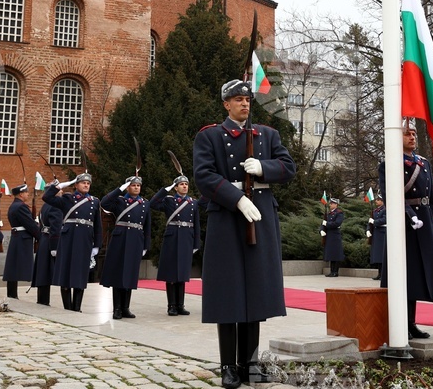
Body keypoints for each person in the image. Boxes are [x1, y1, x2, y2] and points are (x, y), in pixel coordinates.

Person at [193, 79, 296, 389]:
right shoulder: (210, 136)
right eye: (238, 99)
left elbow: (288, 167)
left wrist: (263, 167)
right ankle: (228, 366)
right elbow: (204, 175)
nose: (244, 104)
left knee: (255, 291)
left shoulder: (267, 134)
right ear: (226, 104)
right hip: (227, 217)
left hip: (260, 217)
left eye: (247, 99)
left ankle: (250, 364)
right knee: (228, 293)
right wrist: (236, 198)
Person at [378, 119, 433, 340]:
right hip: (404, 224)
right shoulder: (389, 163)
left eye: (414, 133)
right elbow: (390, 194)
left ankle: (411, 322)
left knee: (416, 276)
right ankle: (399, 322)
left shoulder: (423, 163)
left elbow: (431, 199)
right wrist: (410, 215)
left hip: (423, 223)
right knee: (403, 275)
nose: (412, 137)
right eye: (407, 133)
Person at [43, 172, 103, 312]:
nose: (86, 185)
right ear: (76, 185)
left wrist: (97, 245)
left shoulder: (94, 201)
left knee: (80, 274)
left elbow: (98, 225)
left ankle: (77, 308)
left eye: (88, 183)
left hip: (84, 240)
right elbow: (47, 197)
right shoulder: (67, 199)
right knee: (65, 273)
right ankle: (67, 308)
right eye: (83, 183)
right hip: (69, 239)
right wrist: (61, 185)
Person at [100, 175, 151, 320]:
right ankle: (117, 308)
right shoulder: (119, 201)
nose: (136, 188)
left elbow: (147, 225)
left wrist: (145, 245)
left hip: (136, 240)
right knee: (118, 274)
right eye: (133, 185)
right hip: (120, 239)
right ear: (128, 187)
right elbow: (104, 203)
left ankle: (125, 308)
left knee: (130, 274)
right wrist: (120, 188)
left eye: (138, 186)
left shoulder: (144, 203)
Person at [149, 174, 201, 316]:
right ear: (176, 187)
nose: (184, 186)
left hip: (186, 239)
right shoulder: (168, 200)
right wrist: (166, 189)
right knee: (171, 273)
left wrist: (196, 243)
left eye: (186, 184)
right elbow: (153, 203)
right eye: (181, 184)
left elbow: (196, 224)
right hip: (172, 238)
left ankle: (180, 305)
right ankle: (171, 305)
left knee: (182, 273)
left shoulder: (193, 202)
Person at [2, 184, 40, 300]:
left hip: (17, 237)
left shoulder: (14, 205)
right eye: (26, 192)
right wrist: (40, 236)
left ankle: (12, 293)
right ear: (21, 194)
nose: (28, 194)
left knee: (13, 267)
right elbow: (30, 224)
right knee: (15, 267)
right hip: (22, 238)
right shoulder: (21, 207)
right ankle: (12, 294)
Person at [32, 189, 63, 306]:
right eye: (59, 190)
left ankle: (41, 299)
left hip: (44, 238)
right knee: (47, 272)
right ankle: (44, 300)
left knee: (43, 271)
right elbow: (56, 227)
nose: (61, 191)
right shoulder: (56, 206)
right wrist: (55, 246)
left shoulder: (45, 205)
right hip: (51, 240)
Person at [321, 198, 345, 277]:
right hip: (329, 235)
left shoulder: (339, 213)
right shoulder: (329, 213)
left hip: (335, 235)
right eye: (330, 203)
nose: (330, 205)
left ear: (336, 204)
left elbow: (337, 223)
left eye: (332, 203)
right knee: (331, 254)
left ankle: (335, 272)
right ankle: (332, 271)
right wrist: (322, 230)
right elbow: (323, 223)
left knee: (336, 254)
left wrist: (327, 224)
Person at [368, 196, 386, 280]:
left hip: (382, 233)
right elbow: (370, 221)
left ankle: (383, 274)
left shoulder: (385, 209)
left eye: (378, 200)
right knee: (378, 256)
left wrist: (375, 222)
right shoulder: (375, 211)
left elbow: (385, 219)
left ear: (382, 201)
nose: (376, 201)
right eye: (376, 200)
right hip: (376, 234)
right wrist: (368, 230)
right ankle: (379, 273)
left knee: (382, 255)